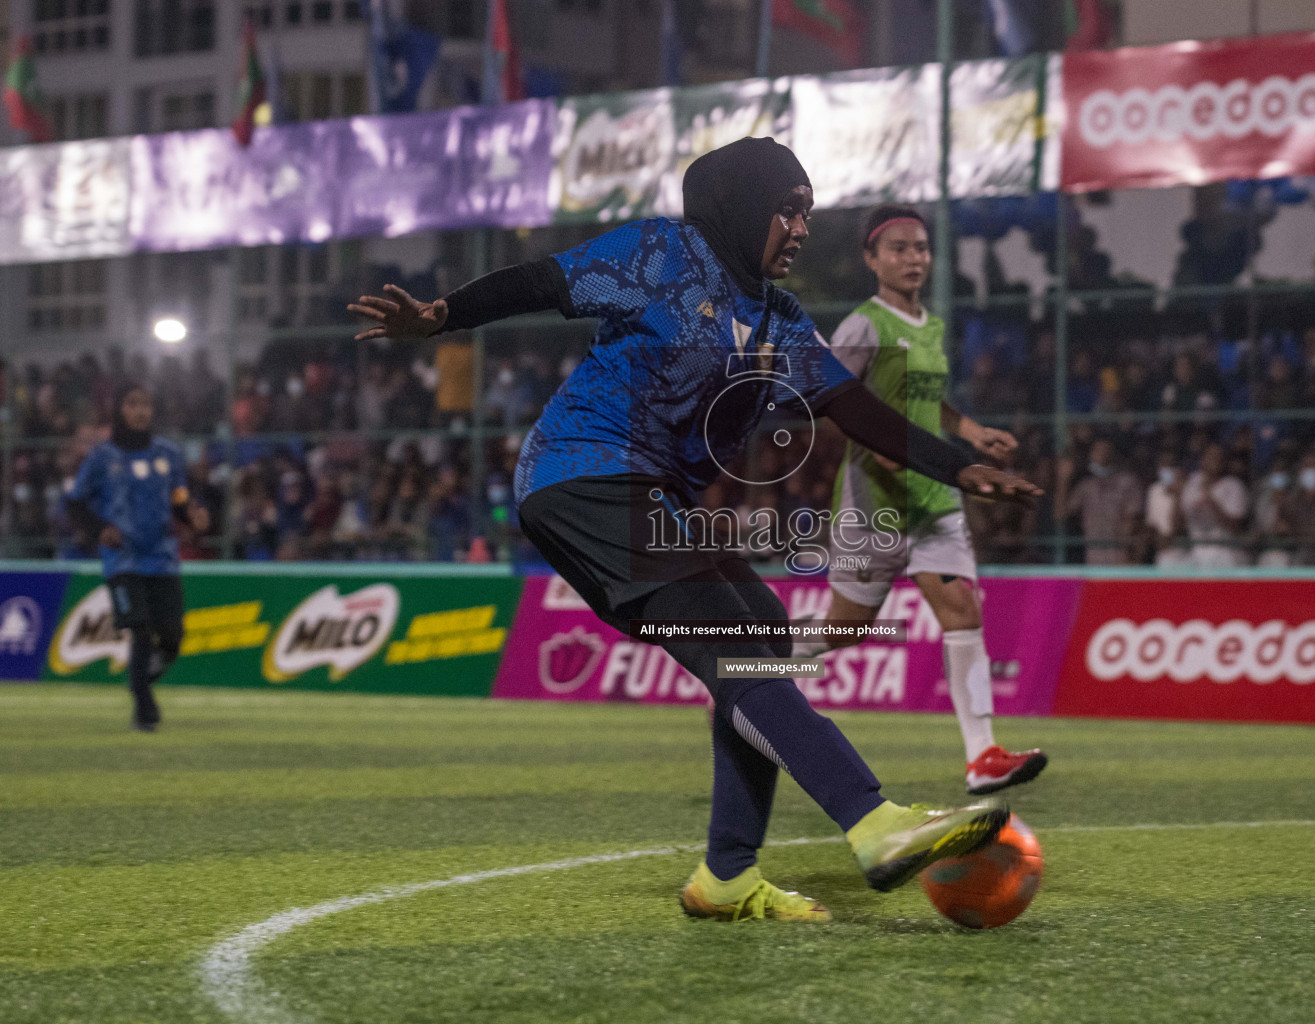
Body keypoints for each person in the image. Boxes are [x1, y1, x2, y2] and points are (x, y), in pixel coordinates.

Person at [350, 138, 1043, 924]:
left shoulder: (778, 317)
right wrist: (441, 317)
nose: (803, 227)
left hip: (649, 495)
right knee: (732, 643)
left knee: (764, 632)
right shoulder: (661, 253)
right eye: (790, 207)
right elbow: (540, 280)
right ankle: (872, 821)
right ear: (743, 207)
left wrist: (959, 468)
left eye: (810, 211)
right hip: (580, 475)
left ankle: (726, 877)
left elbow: (852, 409)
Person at [786, 204, 1048, 797]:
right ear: (871, 259)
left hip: (935, 501)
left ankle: (983, 754)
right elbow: (833, 404)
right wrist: (879, 448)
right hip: (871, 506)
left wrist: (973, 433)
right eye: (899, 248)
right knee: (845, 631)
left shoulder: (929, 325)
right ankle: (753, 667)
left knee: (963, 612)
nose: (913, 259)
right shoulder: (862, 328)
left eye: (921, 248)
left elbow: (931, 400)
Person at [65, 383, 209, 731]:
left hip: (161, 557)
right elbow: (75, 501)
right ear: (120, 410)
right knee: (141, 630)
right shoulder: (102, 456)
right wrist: (100, 528)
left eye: (145, 404)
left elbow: (178, 498)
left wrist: (192, 516)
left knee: (172, 638)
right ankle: (145, 710)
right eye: (132, 404)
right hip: (123, 558)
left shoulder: (168, 454)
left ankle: (138, 682)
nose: (140, 411)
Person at [1056, 437, 1142, 567]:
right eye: (1097, 451)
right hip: (1094, 562)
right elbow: (1060, 514)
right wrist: (1063, 479)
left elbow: (1132, 522)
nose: (1102, 455)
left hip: (1120, 561)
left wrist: (1127, 554)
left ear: (1113, 454)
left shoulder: (1127, 483)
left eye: (1106, 451)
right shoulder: (1085, 487)